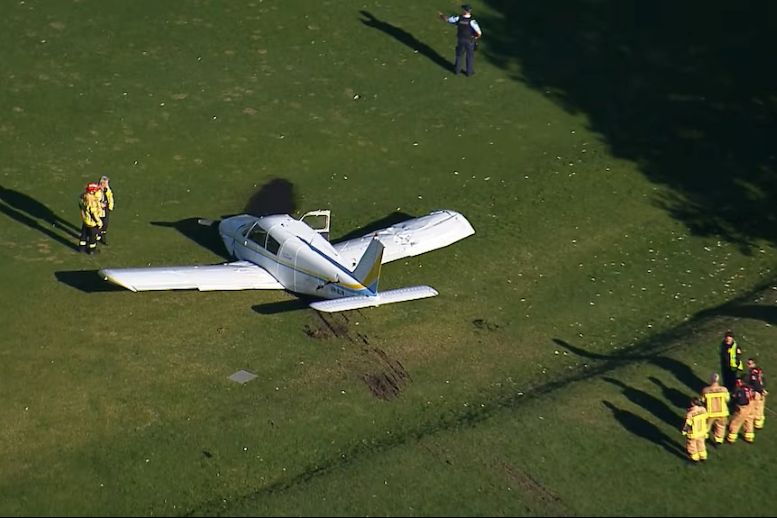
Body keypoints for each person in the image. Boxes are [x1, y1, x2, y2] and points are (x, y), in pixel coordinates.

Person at [438, 4, 482, 76]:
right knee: (470, 56)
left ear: (465, 10)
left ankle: (457, 70)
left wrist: (441, 15)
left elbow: (447, 19)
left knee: (459, 55)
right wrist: (475, 38)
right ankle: (469, 72)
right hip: (470, 41)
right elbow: (479, 33)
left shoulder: (458, 18)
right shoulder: (472, 21)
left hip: (461, 40)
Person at [700, 373, 729, 445]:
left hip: (711, 412)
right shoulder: (724, 389)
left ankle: (704, 436)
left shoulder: (706, 390)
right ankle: (719, 439)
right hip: (722, 411)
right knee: (721, 426)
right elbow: (727, 399)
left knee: (706, 425)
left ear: (710, 380)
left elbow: (702, 400)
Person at [727, 378, 755, 443]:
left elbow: (739, 400)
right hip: (751, 405)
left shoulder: (739, 390)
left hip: (743, 407)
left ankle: (731, 438)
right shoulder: (749, 387)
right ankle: (749, 437)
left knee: (736, 422)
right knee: (749, 420)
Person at [681, 397, 708, 462]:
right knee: (701, 444)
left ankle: (695, 457)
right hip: (702, 431)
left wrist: (684, 431)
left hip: (694, 432)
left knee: (691, 444)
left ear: (692, 403)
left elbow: (688, 423)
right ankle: (703, 456)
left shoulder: (690, 413)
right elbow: (706, 417)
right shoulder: (703, 409)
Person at [78, 183, 102, 254]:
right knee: (92, 237)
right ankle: (92, 250)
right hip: (92, 222)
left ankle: (81, 248)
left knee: (84, 234)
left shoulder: (84, 197)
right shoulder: (92, 201)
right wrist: (98, 221)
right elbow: (93, 213)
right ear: (91, 191)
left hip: (85, 219)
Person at [745, 358, 767, 429]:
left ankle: (757, 423)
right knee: (760, 407)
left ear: (754, 364)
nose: (748, 365)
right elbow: (763, 380)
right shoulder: (759, 370)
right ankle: (759, 421)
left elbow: (756, 383)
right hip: (761, 390)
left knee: (756, 407)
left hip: (757, 392)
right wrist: (763, 389)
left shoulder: (753, 373)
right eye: (747, 363)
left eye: (749, 364)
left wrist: (760, 390)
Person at [95, 175, 114, 245]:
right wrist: (100, 205)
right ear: (102, 183)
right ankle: (96, 236)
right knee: (98, 224)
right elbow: (94, 201)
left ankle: (102, 237)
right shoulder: (96, 191)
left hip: (106, 209)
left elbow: (110, 197)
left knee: (105, 224)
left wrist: (110, 207)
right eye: (106, 183)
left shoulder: (107, 190)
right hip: (99, 210)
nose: (107, 184)